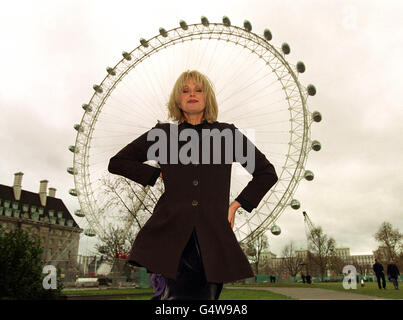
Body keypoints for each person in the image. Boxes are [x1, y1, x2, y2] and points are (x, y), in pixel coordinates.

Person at [108, 70, 278, 300]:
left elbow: (266, 173)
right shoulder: (163, 135)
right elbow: (118, 162)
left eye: (199, 90)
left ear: (207, 97)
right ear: (177, 99)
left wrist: (236, 205)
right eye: (185, 90)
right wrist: (156, 173)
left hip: (212, 236)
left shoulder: (227, 134)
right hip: (172, 233)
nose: (192, 94)